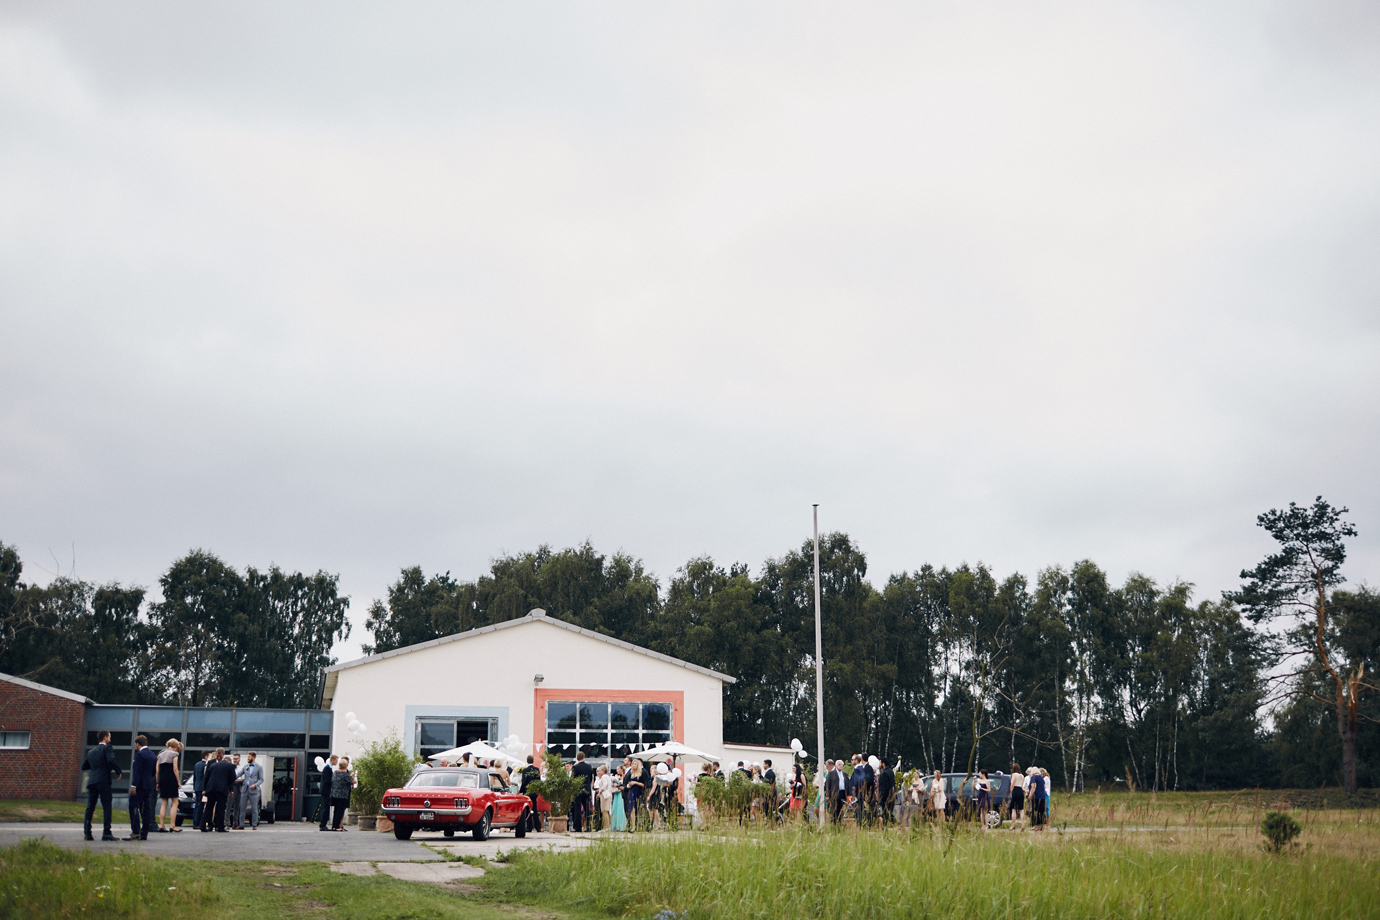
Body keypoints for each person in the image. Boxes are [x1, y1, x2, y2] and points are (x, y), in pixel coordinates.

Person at [82, 730, 123, 842]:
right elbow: (111, 760)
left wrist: (96, 766)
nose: (110, 739)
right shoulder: (107, 748)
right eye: (109, 737)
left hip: (92, 781)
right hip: (104, 780)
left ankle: (87, 833)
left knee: (90, 807)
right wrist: (118, 771)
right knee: (106, 807)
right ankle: (106, 833)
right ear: (105, 737)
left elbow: (84, 766)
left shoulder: (91, 752)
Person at [125, 734, 158, 841]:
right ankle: (144, 833)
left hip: (139, 785)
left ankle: (135, 831)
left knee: (133, 805)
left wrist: (133, 785)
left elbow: (137, 772)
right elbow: (154, 771)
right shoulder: (153, 755)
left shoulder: (140, 755)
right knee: (146, 809)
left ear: (137, 744)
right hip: (148, 784)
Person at [201, 748, 237, 832]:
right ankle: (220, 827)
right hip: (222, 789)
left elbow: (206, 777)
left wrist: (205, 789)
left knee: (208, 808)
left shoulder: (212, 765)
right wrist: (231, 789)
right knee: (220, 808)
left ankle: (202, 825)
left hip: (211, 789)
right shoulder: (230, 766)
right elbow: (232, 778)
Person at [156, 739, 182, 832]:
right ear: (175, 746)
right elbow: (175, 768)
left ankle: (162, 826)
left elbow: (157, 770)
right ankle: (172, 825)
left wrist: (157, 782)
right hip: (171, 778)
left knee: (164, 802)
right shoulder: (174, 754)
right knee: (175, 802)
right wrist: (178, 781)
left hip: (162, 779)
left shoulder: (160, 754)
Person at [569, 751, 594, 833]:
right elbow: (590, 779)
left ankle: (578, 827)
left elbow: (573, 779)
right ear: (584, 757)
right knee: (587, 809)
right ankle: (589, 826)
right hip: (587, 790)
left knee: (577, 809)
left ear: (577, 758)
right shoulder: (589, 766)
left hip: (578, 790)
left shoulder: (575, 767)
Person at [239, 751, 265, 829]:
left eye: (249, 757)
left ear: (253, 758)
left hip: (253, 790)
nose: (248, 758)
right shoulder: (245, 766)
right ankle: (241, 824)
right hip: (244, 789)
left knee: (254, 808)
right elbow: (239, 774)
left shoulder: (259, 767)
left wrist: (255, 785)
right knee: (242, 808)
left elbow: (261, 779)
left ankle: (254, 824)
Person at [330, 756, 354, 830]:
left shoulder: (335, 773)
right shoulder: (346, 775)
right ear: (346, 765)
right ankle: (337, 826)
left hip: (334, 794)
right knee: (340, 811)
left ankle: (334, 826)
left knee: (336, 811)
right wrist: (352, 775)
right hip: (342, 795)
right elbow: (353, 781)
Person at [519, 755, 542, 833]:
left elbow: (524, 782)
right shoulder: (536, 769)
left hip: (527, 792)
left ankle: (529, 827)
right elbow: (539, 781)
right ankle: (538, 827)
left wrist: (521, 790)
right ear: (533, 760)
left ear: (527, 760)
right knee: (535, 809)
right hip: (534, 792)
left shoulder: (525, 770)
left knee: (528, 809)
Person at [192, 751, 213, 830]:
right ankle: (198, 822)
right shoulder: (205, 765)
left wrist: (195, 787)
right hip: (202, 788)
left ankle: (195, 821)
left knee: (197, 805)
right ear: (206, 756)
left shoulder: (197, 764)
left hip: (197, 787)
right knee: (201, 806)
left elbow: (195, 776)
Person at [624, 758, 646, 830]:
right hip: (632, 791)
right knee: (632, 809)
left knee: (640, 808)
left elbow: (644, 784)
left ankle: (641, 825)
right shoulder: (631, 773)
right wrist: (628, 785)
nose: (633, 765)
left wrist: (635, 782)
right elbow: (626, 781)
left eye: (635, 764)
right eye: (632, 764)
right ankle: (633, 826)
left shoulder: (641, 772)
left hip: (639, 791)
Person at [318, 755, 337, 831]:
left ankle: (323, 823)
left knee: (326, 807)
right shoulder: (327, 768)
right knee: (325, 807)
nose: (336, 762)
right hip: (326, 791)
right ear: (332, 760)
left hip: (326, 790)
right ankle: (323, 824)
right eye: (336, 760)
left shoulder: (329, 768)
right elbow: (327, 780)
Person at [822, 759, 842, 824]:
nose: (827, 767)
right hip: (832, 795)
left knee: (837, 811)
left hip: (838, 794)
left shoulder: (835, 773)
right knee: (832, 811)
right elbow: (827, 784)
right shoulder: (829, 773)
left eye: (827, 766)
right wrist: (827, 794)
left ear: (831, 765)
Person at [877, 758, 896, 825]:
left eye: (880, 763)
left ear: (883, 763)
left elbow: (884, 787)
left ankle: (887, 826)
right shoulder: (891, 772)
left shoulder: (884, 773)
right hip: (892, 795)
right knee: (889, 812)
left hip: (886, 797)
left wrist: (881, 798)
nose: (879, 765)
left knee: (885, 813)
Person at [594, 764, 613, 831]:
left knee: (604, 811)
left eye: (600, 770)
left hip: (605, 795)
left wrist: (600, 792)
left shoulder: (604, 777)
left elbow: (605, 785)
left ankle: (606, 827)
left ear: (603, 771)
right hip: (607, 794)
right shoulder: (607, 777)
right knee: (605, 811)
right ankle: (607, 826)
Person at [227, 753, 244, 829]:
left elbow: (243, 776)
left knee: (237, 807)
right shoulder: (230, 767)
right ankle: (227, 823)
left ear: (239, 759)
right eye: (234, 759)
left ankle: (235, 823)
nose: (235, 760)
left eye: (236, 759)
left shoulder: (242, 767)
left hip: (239, 786)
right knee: (229, 806)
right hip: (231, 786)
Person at [611, 764, 628, 831]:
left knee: (621, 808)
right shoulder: (616, 777)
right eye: (617, 769)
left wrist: (619, 786)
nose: (617, 770)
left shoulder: (625, 776)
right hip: (616, 794)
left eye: (618, 769)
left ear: (622, 769)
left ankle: (622, 824)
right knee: (615, 808)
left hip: (621, 793)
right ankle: (615, 824)